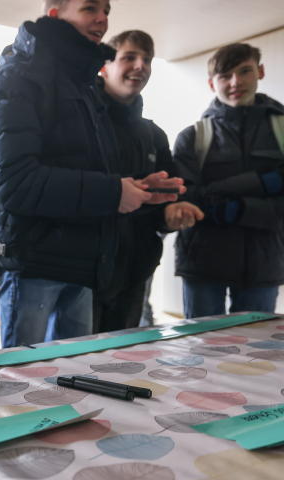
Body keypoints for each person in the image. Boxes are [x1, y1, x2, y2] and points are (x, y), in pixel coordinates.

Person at [0, 0, 182, 348]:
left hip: (84, 265)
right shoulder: (17, 77)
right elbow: (14, 180)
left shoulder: (86, 91)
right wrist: (113, 192)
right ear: (54, 14)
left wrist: (136, 190)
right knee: (22, 388)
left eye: (106, 10)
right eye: (90, 8)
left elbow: (92, 174)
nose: (103, 18)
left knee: (73, 386)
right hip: (34, 266)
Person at [92, 30, 198, 333]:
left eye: (147, 60)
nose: (140, 66)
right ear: (104, 66)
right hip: (86, 274)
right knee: (72, 370)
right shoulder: (83, 123)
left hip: (136, 273)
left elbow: (167, 199)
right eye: (129, 57)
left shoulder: (154, 134)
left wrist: (170, 214)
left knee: (119, 365)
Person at [172, 43, 284, 318]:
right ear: (212, 83)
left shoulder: (282, 131)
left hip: (264, 263)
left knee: (254, 356)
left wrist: (236, 207)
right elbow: (190, 200)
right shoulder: (193, 137)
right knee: (199, 351)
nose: (236, 82)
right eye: (225, 76)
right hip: (203, 264)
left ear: (260, 71)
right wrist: (265, 183)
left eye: (244, 71)